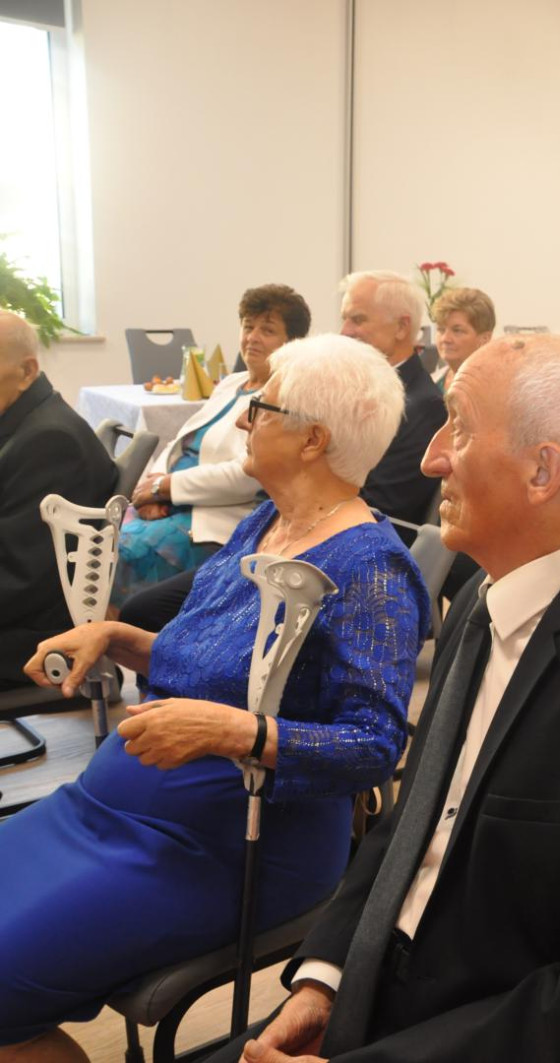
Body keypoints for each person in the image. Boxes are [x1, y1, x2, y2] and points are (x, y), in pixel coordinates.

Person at [219, 335, 560, 1063]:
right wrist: (324, 978)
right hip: (393, 988)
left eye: (459, 427)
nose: (431, 457)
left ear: (542, 470)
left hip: (503, 1029)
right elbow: (412, 822)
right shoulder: (481, 598)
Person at [0, 336, 429, 1060]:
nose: (243, 420)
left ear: (313, 440)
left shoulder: (370, 569)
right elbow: (206, 663)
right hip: (110, 813)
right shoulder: (267, 520)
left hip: (226, 845)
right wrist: (117, 635)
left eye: (261, 408)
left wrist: (236, 733)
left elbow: (375, 747)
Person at [115, 284, 310, 605]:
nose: (252, 337)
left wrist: (166, 487)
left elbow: (248, 474)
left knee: (122, 551)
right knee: (97, 537)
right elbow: (180, 441)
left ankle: (119, 632)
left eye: (267, 330)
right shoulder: (232, 383)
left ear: (293, 342)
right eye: (248, 326)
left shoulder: (285, 398)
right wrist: (153, 485)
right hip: (173, 500)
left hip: (216, 516)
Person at [0, 311, 117, 691]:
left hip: (31, 634)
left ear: (26, 371)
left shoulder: (49, 442)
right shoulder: (24, 420)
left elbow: (22, 579)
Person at [339, 269, 448, 525]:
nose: (344, 332)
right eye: (344, 319)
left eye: (358, 320)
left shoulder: (424, 407)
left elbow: (383, 508)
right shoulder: (346, 390)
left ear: (401, 327)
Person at [431, 286, 495, 391]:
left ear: (485, 339)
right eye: (441, 330)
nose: (445, 339)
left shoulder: (498, 388)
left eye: (457, 331)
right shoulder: (430, 383)